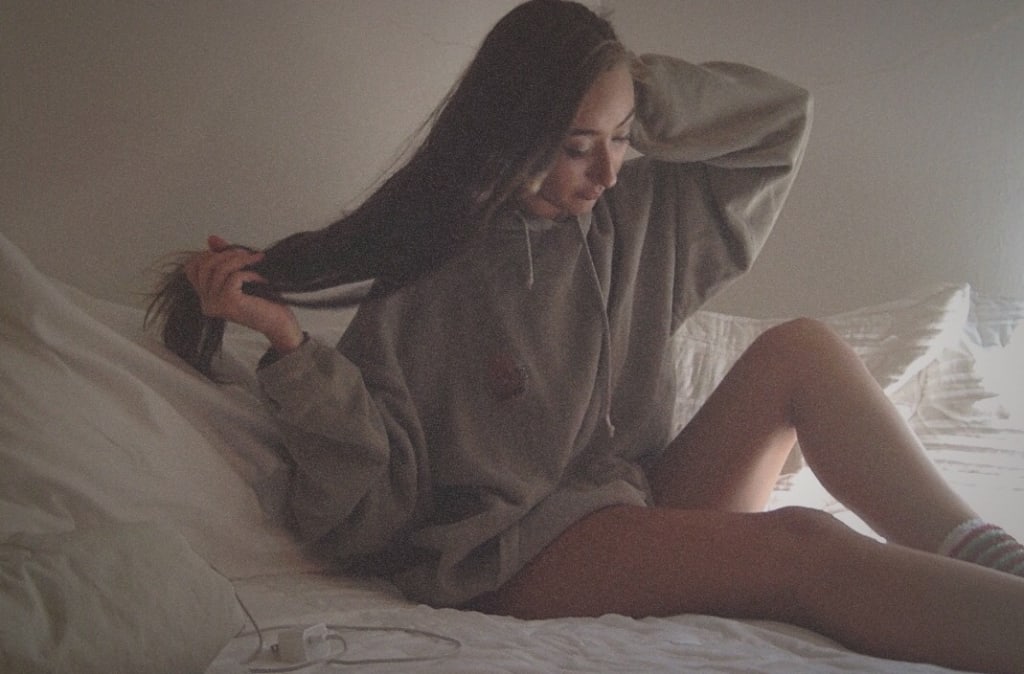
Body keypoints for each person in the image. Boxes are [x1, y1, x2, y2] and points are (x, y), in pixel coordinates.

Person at [148, 1, 1024, 671]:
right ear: (512, 134)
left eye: (622, 139)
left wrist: (620, 85)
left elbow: (778, 122)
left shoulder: (631, 214)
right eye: (576, 146)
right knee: (804, 546)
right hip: (519, 555)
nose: (607, 171)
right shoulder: (430, 276)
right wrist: (292, 351)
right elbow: (372, 511)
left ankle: (990, 557)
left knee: (802, 348)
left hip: (631, 503)